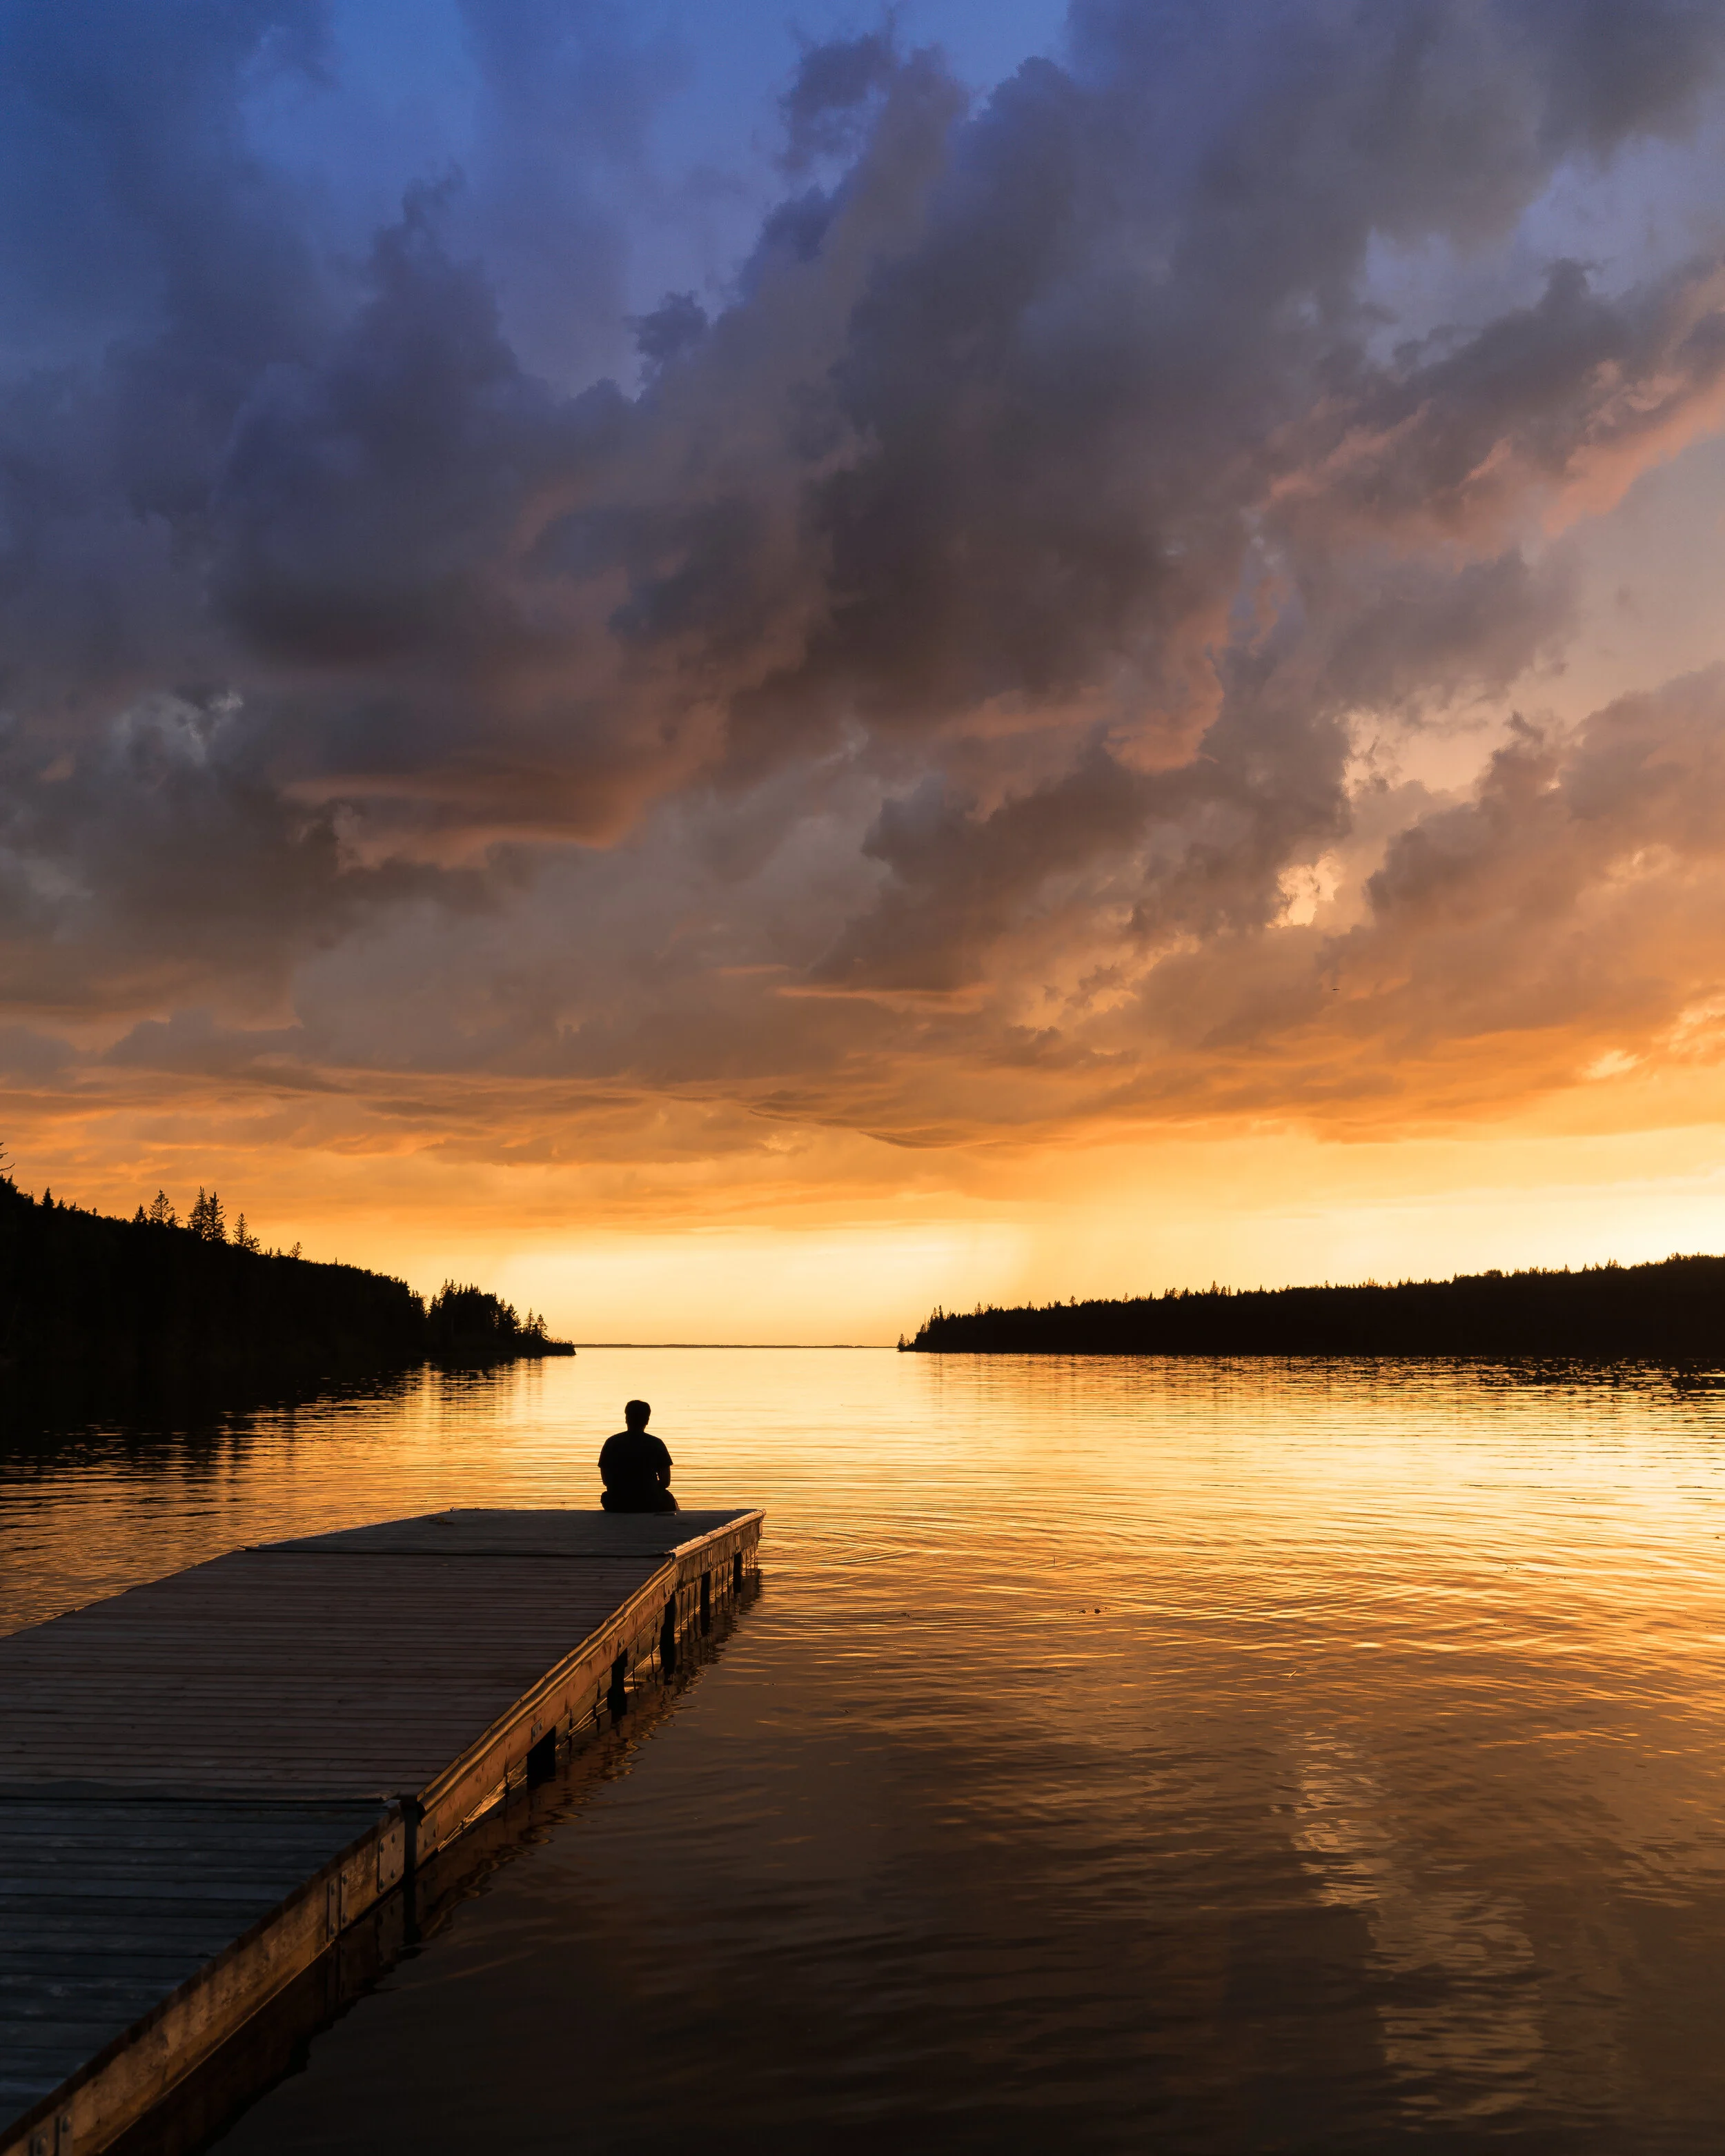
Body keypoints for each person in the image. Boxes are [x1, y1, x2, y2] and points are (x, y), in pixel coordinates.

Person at [599, 1399, 678, 1513]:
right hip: (650, 1502)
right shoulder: (656, 1444)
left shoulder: (611, 1443)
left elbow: (606, 1480)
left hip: (617, 1503)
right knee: (668, 1498)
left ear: (626, 1419)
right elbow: (666, 1482)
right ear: (647, 1420)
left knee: (606, 1496)